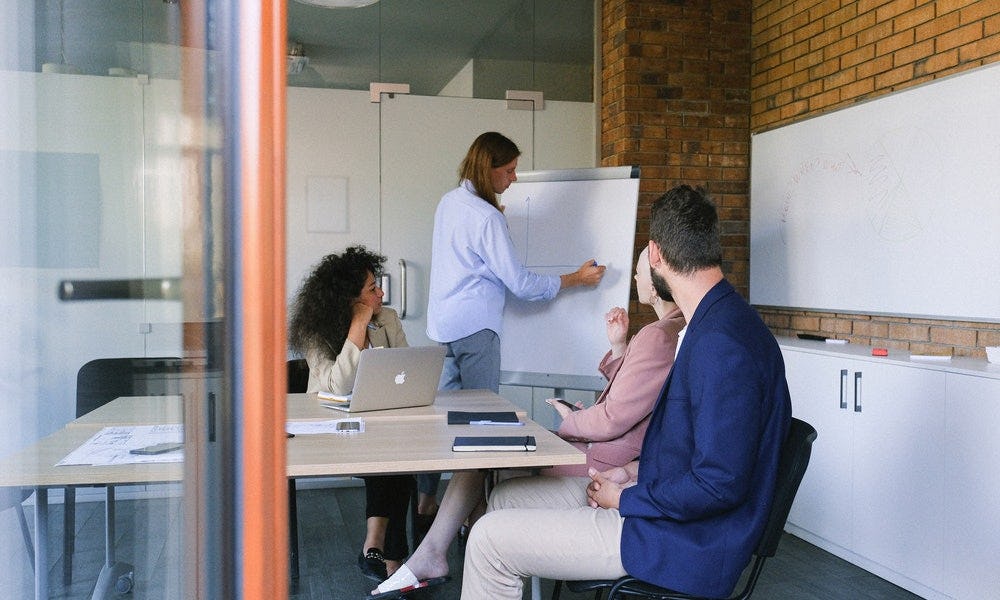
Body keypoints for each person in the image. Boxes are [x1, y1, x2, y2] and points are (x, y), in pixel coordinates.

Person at [457, 184, 793, 599]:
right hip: (670, 518)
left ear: (655, 254)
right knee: (504, 505)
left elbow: (718, 484)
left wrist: (628, 498)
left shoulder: (720, 342)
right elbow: (702, 454)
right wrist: (634, 474)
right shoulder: (720, 321)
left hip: (684, 542)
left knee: (488, 540)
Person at [370, 248, 685, 597]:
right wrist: (620, 347)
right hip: (606, 454)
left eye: (640, 273)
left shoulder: (659, 335)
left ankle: (443, 553)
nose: (636, 279)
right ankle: (442, 553)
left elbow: (613, 418)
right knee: (488, 464)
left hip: (601, 462)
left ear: (656, 286)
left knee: (485, 459)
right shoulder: (666, 332)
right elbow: (632, 398)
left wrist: (573, 420)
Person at [418, 130, 607, 536]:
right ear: (488, 170)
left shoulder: (450, 203)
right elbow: (521, 284)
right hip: (475, 331)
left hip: (443, 329)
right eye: (510, 170)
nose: (515, 179)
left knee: (442, 424)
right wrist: (576, 278)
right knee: (481, 429)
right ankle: (474, 515)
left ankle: (426, 502)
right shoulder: (487, 218)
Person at [288, 246, 436, 582]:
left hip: (380, 423)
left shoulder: (388, 320)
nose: (382, 292)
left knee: (395, 455)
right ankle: (392, 560)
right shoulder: (316, 332)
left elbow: (406, 371)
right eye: (372, 288)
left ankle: (377, 549)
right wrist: (358, 323)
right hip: (330, 431)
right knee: (392, 459)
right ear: (350, 298)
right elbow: (337, 386)